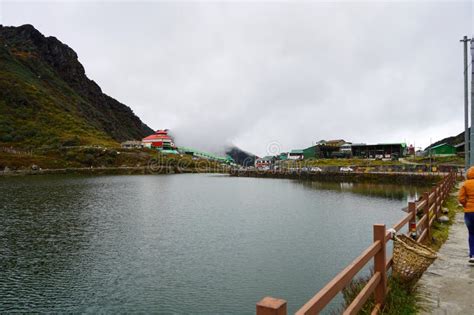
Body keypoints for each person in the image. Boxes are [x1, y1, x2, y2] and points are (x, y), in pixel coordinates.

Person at [458, 166, 474, 264]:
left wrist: (465, 204)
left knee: (472, 233)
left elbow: (461, 199)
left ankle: (473, 255)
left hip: (469, 212)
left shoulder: (466, 184)